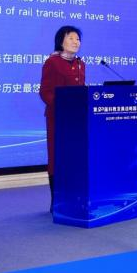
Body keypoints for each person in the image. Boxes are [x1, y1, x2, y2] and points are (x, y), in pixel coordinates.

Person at [39, 25, 86, 207]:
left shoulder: (81, 64)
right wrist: (62, 107)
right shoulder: (52, 62)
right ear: (61, 41)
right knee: (57, 157)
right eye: (71, 38)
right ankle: (57, 201)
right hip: (58, 118)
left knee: (75, 156)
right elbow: (45, 92)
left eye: (78, 39)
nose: (76, 42)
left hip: (77, 119)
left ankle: (74, 198)